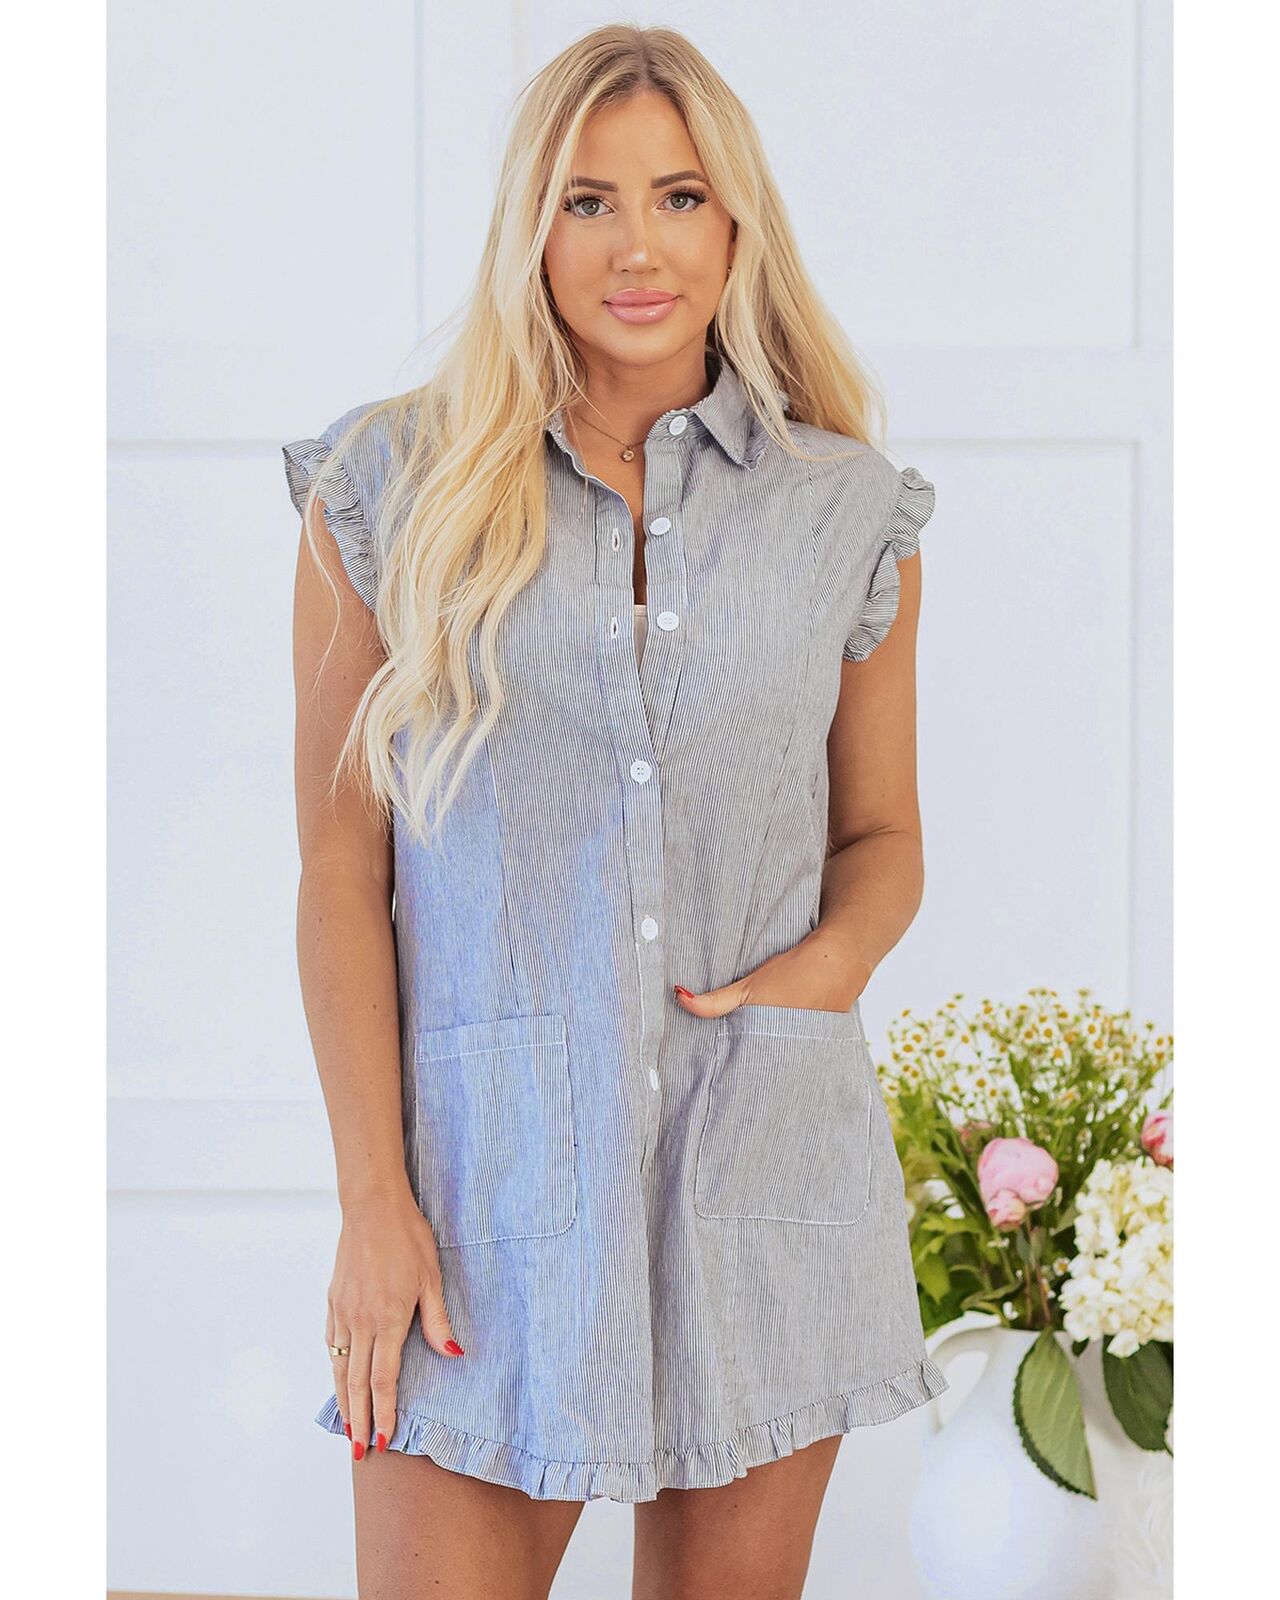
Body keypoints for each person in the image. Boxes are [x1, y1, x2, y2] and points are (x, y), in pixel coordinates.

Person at [283, 23, 947, 1600]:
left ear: (737, 222)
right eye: (588, 201)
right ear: (533, 225)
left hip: (763, 1180)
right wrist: (373, 1204)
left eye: (678, 196)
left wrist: (823, 969)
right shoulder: (389, 488)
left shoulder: (846, 508)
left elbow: (885, 839)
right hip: (486, 1206)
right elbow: (340, 867)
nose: (636, 247)